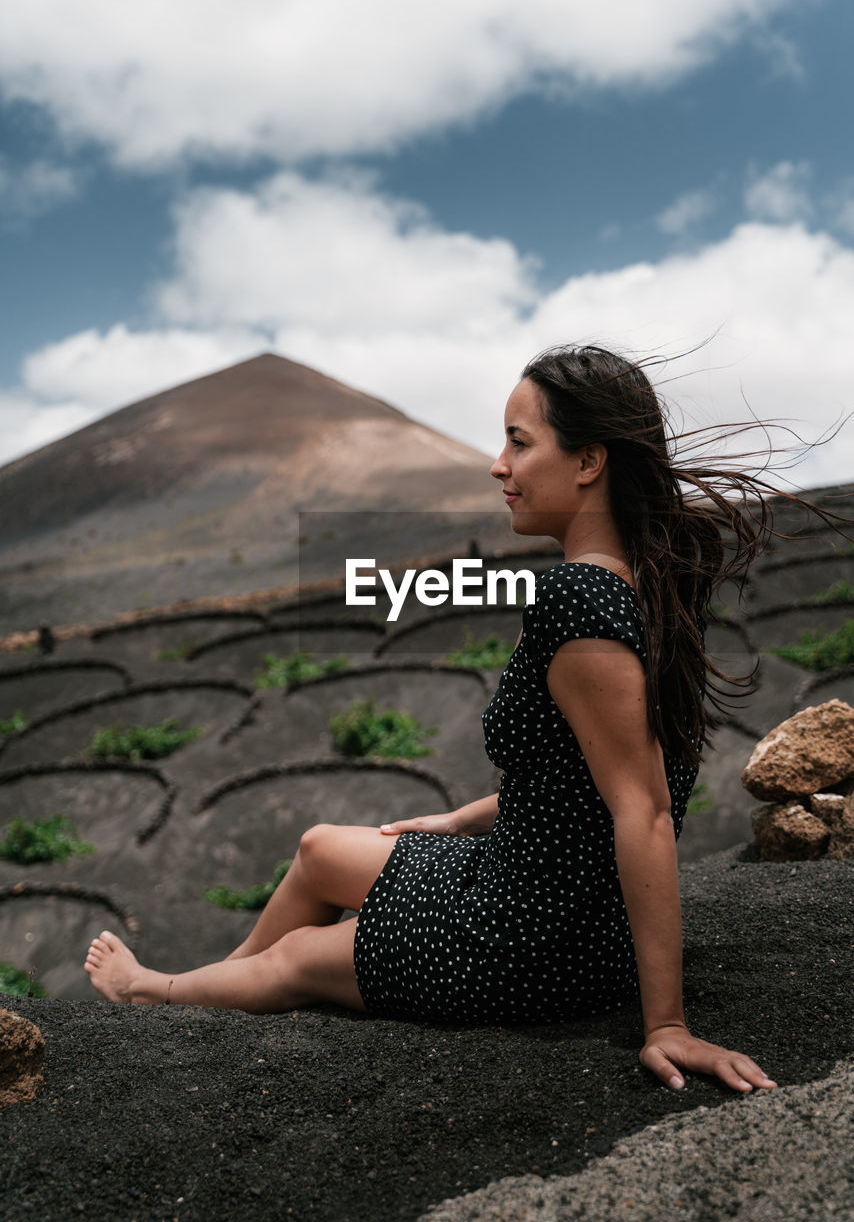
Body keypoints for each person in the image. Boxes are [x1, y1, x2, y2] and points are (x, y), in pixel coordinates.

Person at [86, 345, 788, 1094]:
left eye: (520, 442)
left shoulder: (581, 605)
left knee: (298, 960)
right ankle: (213, 991)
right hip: (526, 882)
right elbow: (580, 777)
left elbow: (643, 807)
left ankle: (153, 994)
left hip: (529, 938)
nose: (499, 465)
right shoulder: (628, 584)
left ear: (588, 461)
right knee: (321, 848)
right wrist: (460, 820)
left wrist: (667, 1026)